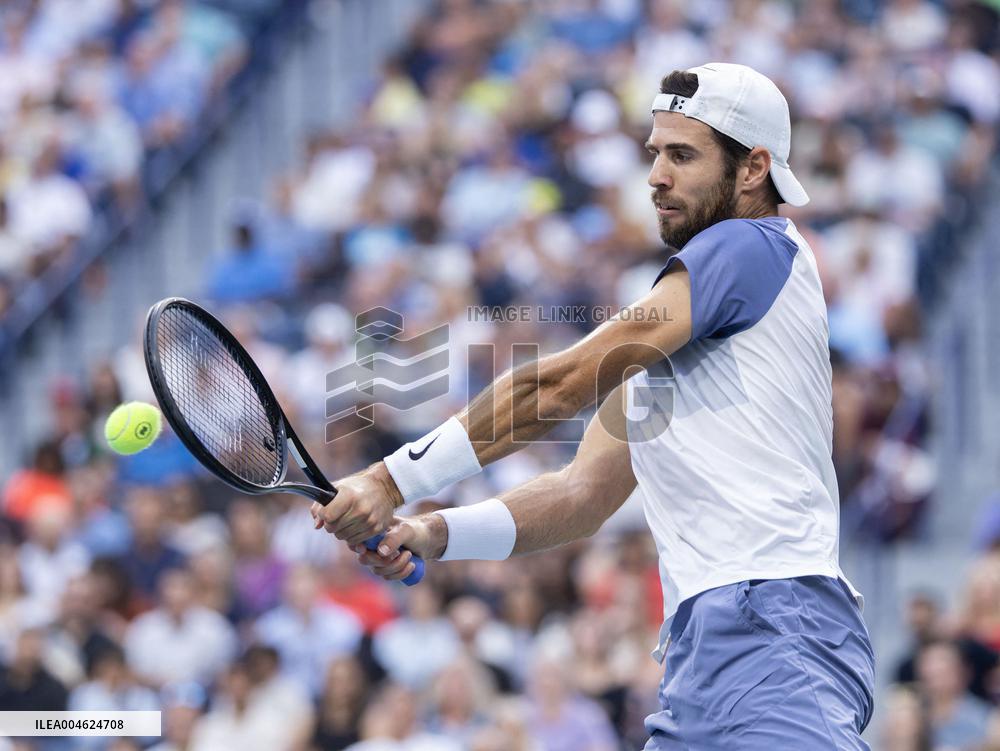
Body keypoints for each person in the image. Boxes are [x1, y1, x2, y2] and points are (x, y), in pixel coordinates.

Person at [313, 63, 875, 748]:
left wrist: (389, 478)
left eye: (682, 154)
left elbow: (558, 385)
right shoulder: (689, 328)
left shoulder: (747, 244)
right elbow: (581, 493)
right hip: (704, 649)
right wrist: (432, 531)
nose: (656, 175)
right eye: (655, 153)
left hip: (776, 625)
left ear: (754, 168)